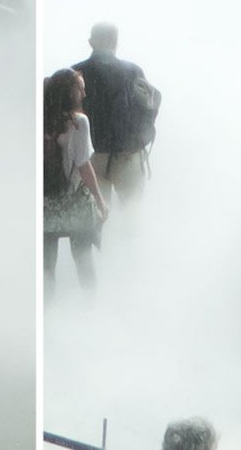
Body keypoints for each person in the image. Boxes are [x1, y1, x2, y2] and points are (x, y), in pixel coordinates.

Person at [43, 69, 109, 302]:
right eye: (79, 87)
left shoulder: (41, 119)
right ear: (67, 92)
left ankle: (46, 311)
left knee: (46, 266)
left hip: (45, 206)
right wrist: (100, 201)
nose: (84, 92)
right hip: (75, 203)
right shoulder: (79, 122)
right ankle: (90, 307)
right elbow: (83, 165)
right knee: (83, 259)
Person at [72, 22, 154, 206]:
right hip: (128, 154)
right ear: (115, 41)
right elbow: (148, 107)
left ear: (91, 42)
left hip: (90, 156)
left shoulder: (76, 72)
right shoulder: (133, 71)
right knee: (131, 217)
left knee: (97, 219)